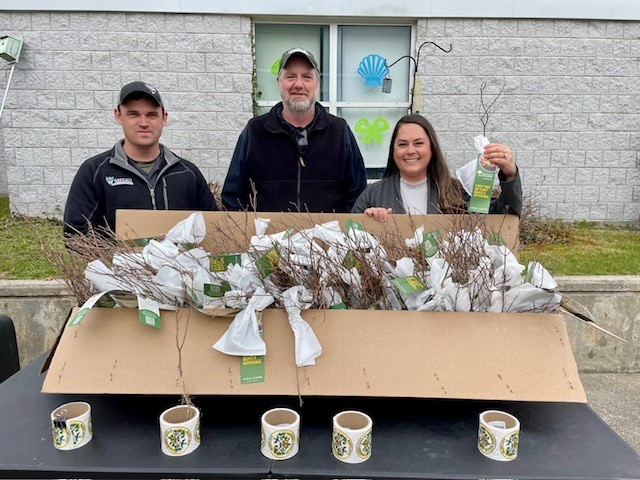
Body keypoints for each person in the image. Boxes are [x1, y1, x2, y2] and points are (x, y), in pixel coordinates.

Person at [222, 47, 367, 213]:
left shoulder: (339, 132)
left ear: (317, 84)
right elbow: (233, 199)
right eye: (290, 76)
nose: (298, 84)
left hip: (328, 231)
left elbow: (357, 198)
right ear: (279, 82)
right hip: (268, 231)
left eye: (307, 77)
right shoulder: (254, 131)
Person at [64, 81, 218, 236]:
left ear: (164, 118)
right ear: (118, 116)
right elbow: (76, 234)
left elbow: (213, 229)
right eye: (133, 114)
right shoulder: (94, 172)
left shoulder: (187, 173)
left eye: (152, 115)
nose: (144, 123)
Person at [351, 114, 522, 220]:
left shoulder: (456, 192)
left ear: (432, 149)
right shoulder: (374, 194)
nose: (410, 151)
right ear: (393, 151)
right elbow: (350, 239)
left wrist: (509, 173)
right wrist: (368, 222)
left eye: (418, 143)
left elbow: (503, 216)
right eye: (402, 144)